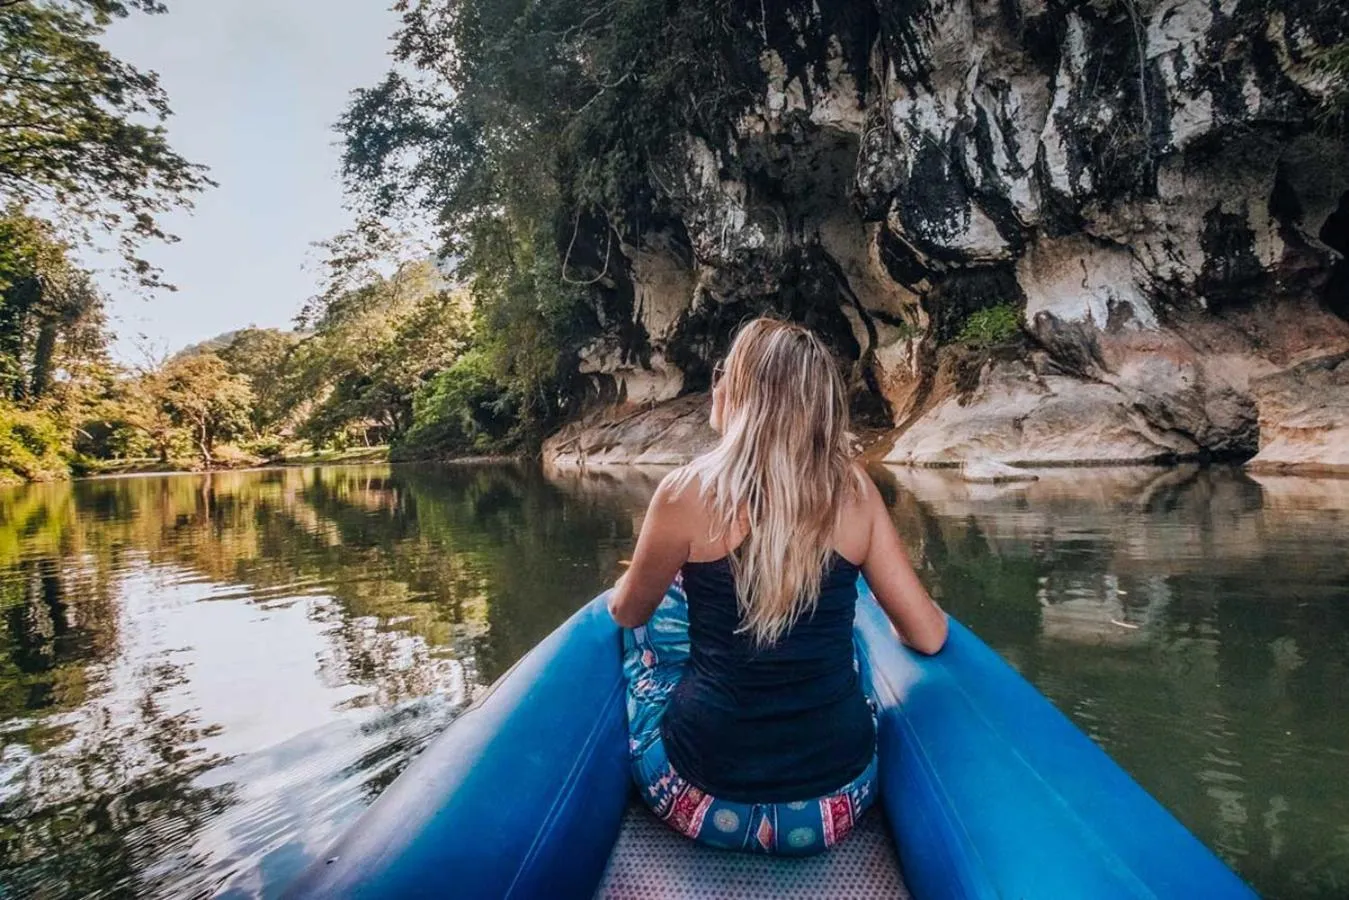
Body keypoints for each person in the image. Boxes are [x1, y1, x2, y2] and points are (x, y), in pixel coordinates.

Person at [608, 317, 947, 857]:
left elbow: (627, 613)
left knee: (652, 624)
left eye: (725, 374)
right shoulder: (855, 490)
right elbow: (928, 638)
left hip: (700, 796)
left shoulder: (685, 491)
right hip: (836, 804)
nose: (716, 384)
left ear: (742, 393)